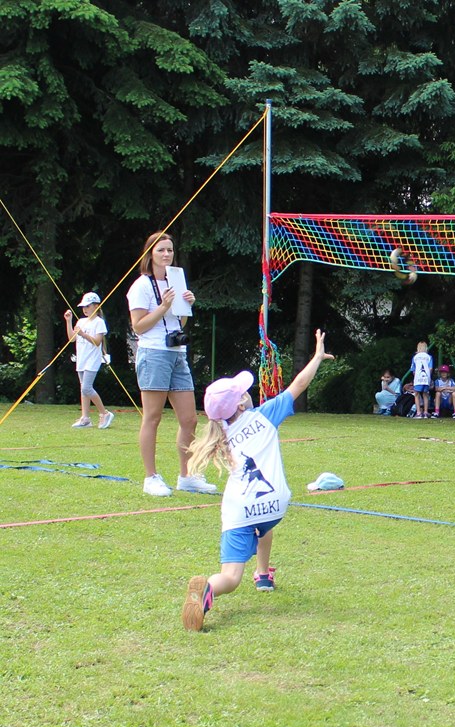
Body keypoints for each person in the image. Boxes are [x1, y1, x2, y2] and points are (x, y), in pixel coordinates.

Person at [181, 329, 334, 631]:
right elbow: (299, 384)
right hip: (274, 504)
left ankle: (208, 589)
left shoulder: (219, 434)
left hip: (239, 510)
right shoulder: (264, 416)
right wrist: (316, 357)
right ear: (240, 405)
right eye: (242, 392)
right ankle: (263, 574)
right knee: (263, 524)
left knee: (230, 577)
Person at [126, 231, 217, 497]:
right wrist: (163, 307)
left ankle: (187, 476)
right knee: (152, 417)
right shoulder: (141, 286)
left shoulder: (175, 280)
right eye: (161, 250)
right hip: (154, 353)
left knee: (189, 419)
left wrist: (186, 305)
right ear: (150, 254)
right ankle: (150, 477)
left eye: (170, 250)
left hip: (177, 353)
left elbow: (180, 323)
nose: (166, 254)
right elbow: (138, 326)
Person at [63, 291, 113, 429]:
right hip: (82, 359)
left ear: (96, 306)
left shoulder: (99, 322)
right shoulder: (81, 321)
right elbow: (72, 339)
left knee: (87, 388)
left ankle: (104, 413)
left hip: (92, 360)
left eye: (88, 306)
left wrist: (83, 334)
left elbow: (97, 341)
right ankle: (85, 418)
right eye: (83, 307)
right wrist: (69, 321)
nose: (85, 309)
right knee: (83, 389)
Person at [410, 341, 433, 419]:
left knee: (416, 394)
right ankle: (426, 412)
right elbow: (430, 368)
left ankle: (419, 412)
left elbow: (413, 370)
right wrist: (429, 378)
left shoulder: (415, 357)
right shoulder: (429, 357)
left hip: (418, 378)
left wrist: (415, 377)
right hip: (426, 378)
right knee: (425, 394)